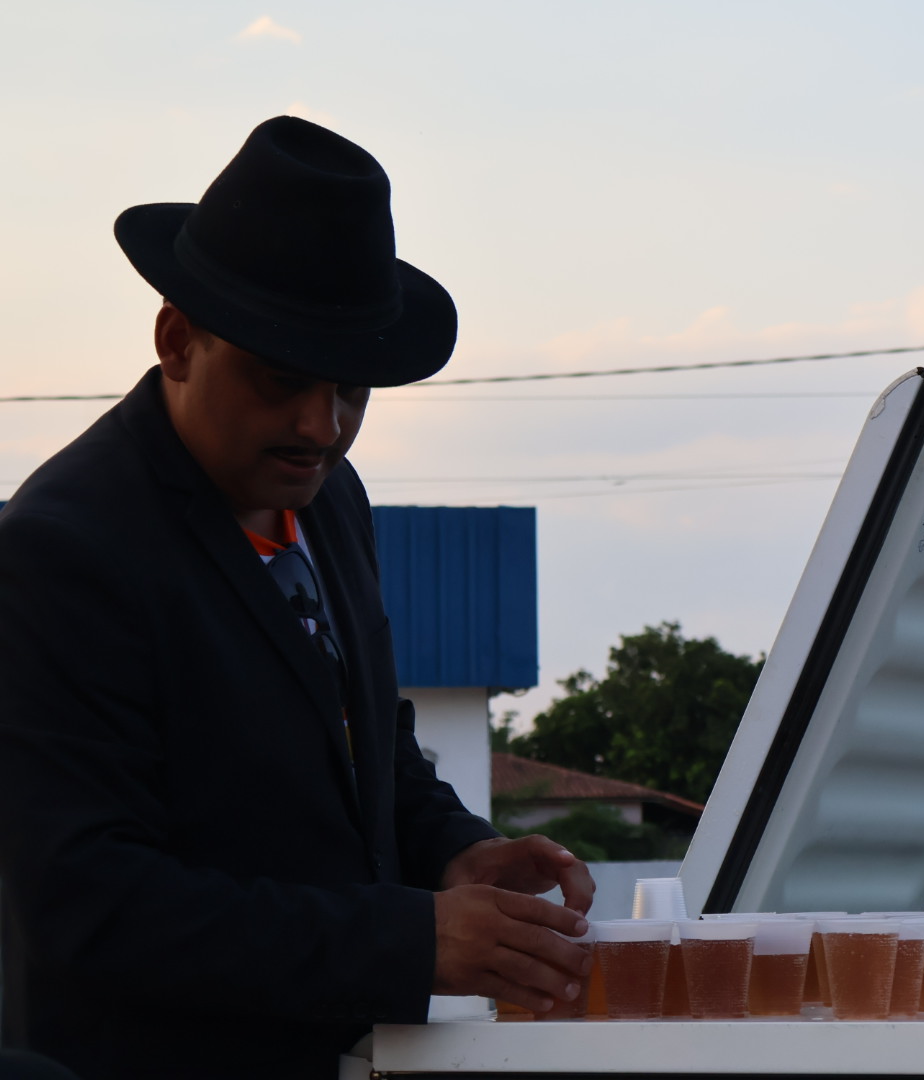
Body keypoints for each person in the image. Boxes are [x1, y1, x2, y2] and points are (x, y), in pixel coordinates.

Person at [0, 117, 594, 1079]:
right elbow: (87, 902)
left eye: (353, 388)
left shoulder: (327, 498)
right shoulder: (60, 550)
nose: (324, 426)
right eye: (282, 380)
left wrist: (452, 851)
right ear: (176, 340)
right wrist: (406, 942)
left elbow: (369, 747)